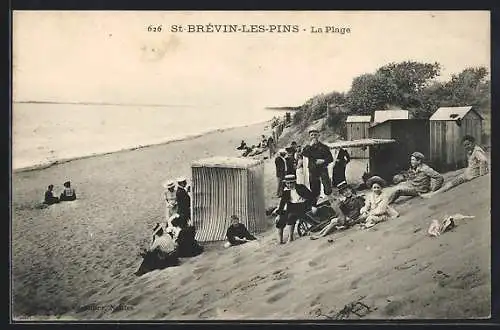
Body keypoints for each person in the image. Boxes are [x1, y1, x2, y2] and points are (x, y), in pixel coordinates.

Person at [424, 135, 489, 197]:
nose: (467, 147)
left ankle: (433, 194)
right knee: (452, 177)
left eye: (468, 144)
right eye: (465, 145)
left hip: (471, 175)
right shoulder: (472, 151)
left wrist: (482, 175)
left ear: (473, 143)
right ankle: (433, 193)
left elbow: (483, 160)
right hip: (469, 173)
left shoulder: (476, 151)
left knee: (450, 183)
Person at [272, 174, 316, 244]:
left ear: (294, 182)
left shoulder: (301, 187)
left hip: (302, 206)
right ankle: (280, 240)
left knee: (291, 216)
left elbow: (311, 197)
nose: (289, 185)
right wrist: (279, 214)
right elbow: (282, 203)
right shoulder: (286, 191)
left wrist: (313, 206)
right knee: (280, 219)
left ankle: (290, 237)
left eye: (291, 183)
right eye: (287, 183)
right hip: (291, 207)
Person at [301, 129, 334, 202]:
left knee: (327, 186)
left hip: (323, 169)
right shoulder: (308, 147)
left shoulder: (324, 146)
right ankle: (316, 202)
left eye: (315, 135)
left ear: (319, 136)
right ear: (309, 137)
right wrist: (310, 145)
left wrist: (323, 161)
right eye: (312, 135)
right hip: (313, 170)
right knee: (314, 188)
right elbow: (304, 154)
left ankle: (330, 200)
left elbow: (331, 158)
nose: (313, 137)